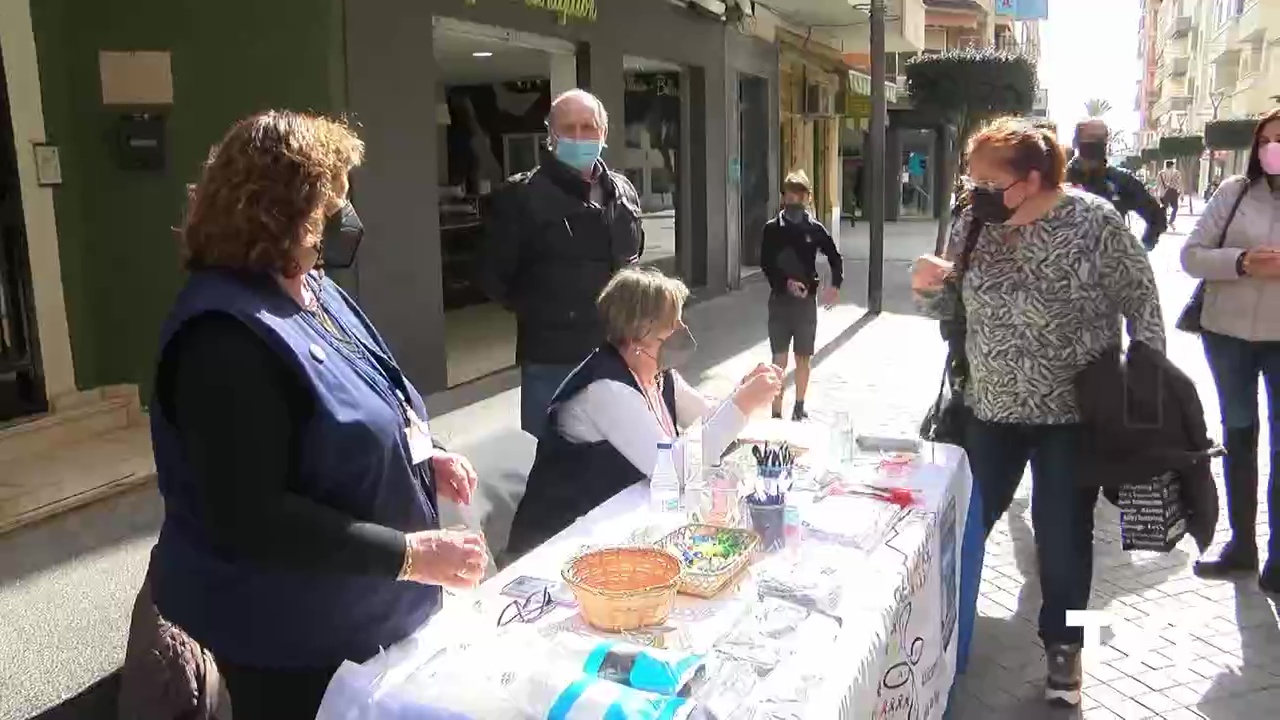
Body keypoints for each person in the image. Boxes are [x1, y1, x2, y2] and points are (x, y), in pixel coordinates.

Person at [146, 111, 488, 720]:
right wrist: (411, 554)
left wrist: (419, 458)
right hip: (291, 640)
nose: (344, 215)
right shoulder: (221, 337)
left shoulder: (314, 286)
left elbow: (362, 396)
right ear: (277, 209)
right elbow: (251, 516)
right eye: (331, 200)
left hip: (370, 616)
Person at [911, 117, 1164, 707]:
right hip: (989, 409)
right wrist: (925, 287)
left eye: (985, 180)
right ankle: (944, 632)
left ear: (1029, 179)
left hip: (1072, 417)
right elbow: (945, 306)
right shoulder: (972, 223)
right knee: (965, 522)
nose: (974, 191)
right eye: (970, 179)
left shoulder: (1095, 223)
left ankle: (1065, 650)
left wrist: (1148, 386)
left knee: (1063, 534)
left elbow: (1143, 304)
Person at [505, 267, 783, 559]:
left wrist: (743, 392)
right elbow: (673, 471)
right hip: (556, 547)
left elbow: (709, 418)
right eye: (670, 324)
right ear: (638, 333)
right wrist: (742, 403)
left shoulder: (658, 376)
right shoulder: (605, 389)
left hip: (610, 532)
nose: (681, 331)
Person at [480, 89, 645, 439]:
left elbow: (632, 260)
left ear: (604, 132)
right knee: (549, 461)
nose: (580, 136)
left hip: (619, 353)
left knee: (615, 454)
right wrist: (551, 308)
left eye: (589, 127)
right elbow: (492, 276)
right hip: (552, 359)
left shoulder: (624, 192)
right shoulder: (521, 196)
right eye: (568, 128)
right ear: (550, 136)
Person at [1180, 108, 1280, 593]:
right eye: (1269, 140)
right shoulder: (1233, 192)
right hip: (1229, 336)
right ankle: (1242, 545)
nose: (1274, 148)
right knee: (1239, 436)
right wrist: (1241, 262)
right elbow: (1192, 255)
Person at [760, 170, 842, 421]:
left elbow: (834, 257)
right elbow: (766, 264)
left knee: (803, 357)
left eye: (799, 194)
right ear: (783, 196)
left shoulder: (814, 228)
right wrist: (786, 284)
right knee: (779, 360)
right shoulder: (772, 229)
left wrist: (834, 285)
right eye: (789, 194)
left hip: (806, 304)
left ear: (807, 197)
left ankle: (799, 406)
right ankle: (776, 411)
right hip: (780, 303)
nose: (794, 199)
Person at [1065, 118, 1166, 249]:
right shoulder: (1060, 181)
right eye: (1091, 138)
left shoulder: (1122, 181)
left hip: (1108, 265)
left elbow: (1157, 218)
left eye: (1101, 139)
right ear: (1077, 143)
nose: (1095, 144)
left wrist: (1140, 251)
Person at [1157, 159, 1185, 225]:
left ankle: (1163, 221)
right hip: (1173, 192)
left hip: (1163, 193)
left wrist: (1157, 195)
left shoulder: (1160, 173)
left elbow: (1158, 185)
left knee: (1164, 208)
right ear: (1172, 166)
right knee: (1175, 208)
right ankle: (1171, 221)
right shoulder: (1177, 173)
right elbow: (1180, 184)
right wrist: (1182, 194)